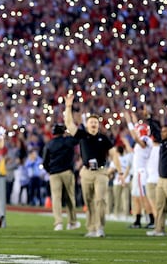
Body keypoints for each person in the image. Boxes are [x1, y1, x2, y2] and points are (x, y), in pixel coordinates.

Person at [63, 92, 116, 238]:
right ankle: (91, 228)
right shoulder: (82, 135)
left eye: (96, 122)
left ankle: (100, 228)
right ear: (87, 124)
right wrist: (68, 107)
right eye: (91, 122)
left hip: (101, 171)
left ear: (98, 125)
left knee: (100, 200)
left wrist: (117, 169)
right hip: (86, 171)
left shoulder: (103, 138)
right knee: (89, 201)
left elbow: (114, 153)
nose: (93, 124)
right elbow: (69, 124)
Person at [42, 123, 80, 231]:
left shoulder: (49, 144)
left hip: (54, 173)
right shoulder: (68, 140)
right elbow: (78, 138)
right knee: (70, 197)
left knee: (56, 198)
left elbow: (45, 161)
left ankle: (58, 223)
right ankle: (72, 222)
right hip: (67, 172)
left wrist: (50, 171)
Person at [122, 112, 155, 229]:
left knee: (143, 197)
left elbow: (136, 137)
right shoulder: (144, 137)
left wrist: (129, 122)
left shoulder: (145, 139)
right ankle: (137, 220)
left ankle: (152, 219)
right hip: (138, 172)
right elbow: (137, 131)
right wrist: (132, 118)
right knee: (136, 197)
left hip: (142, 172)